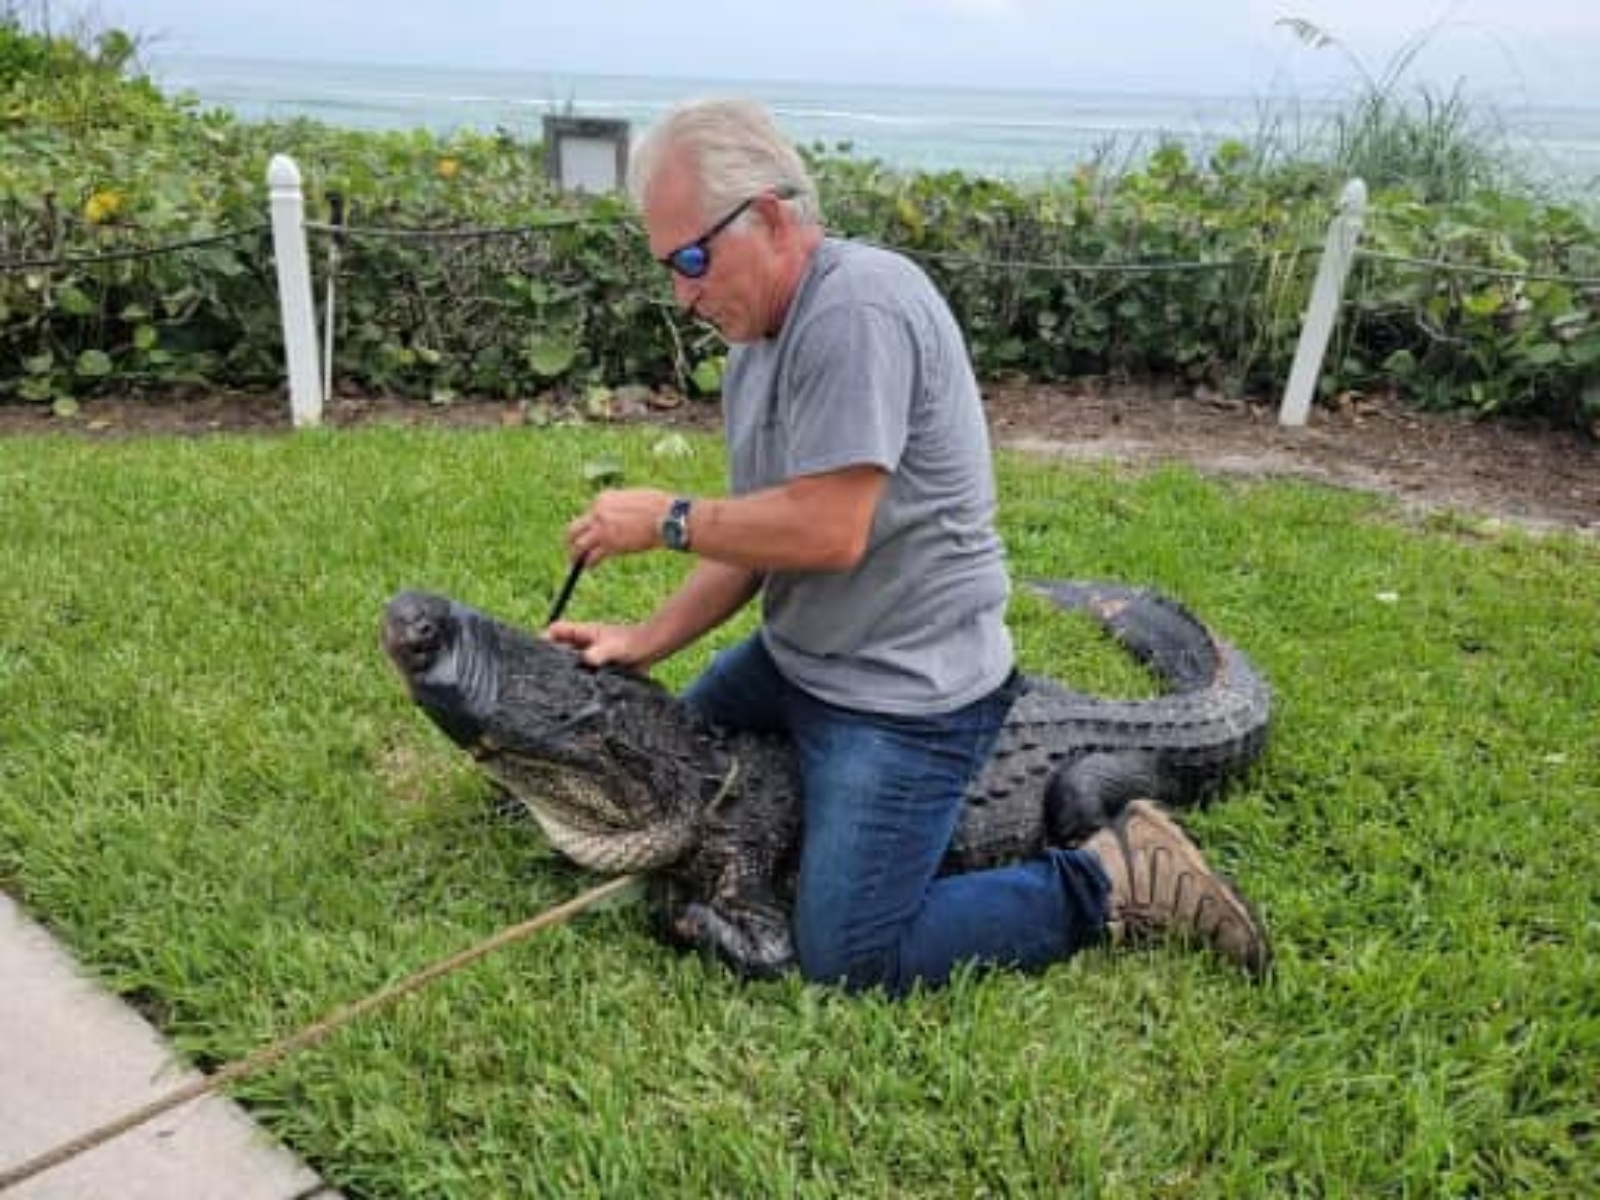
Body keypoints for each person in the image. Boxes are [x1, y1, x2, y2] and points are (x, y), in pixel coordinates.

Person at [546, 97, 1269, 995]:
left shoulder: (859, 307)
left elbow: (829, 528)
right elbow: (761, 537)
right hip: (799, 659)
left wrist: (666, 517)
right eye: (668, 266)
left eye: (692, 259)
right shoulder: (754, 350)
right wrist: (642, 640)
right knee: (671, 762)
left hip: (904, 695)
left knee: (854, 952)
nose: (682, 293)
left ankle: (1115, 877)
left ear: (768, 217)